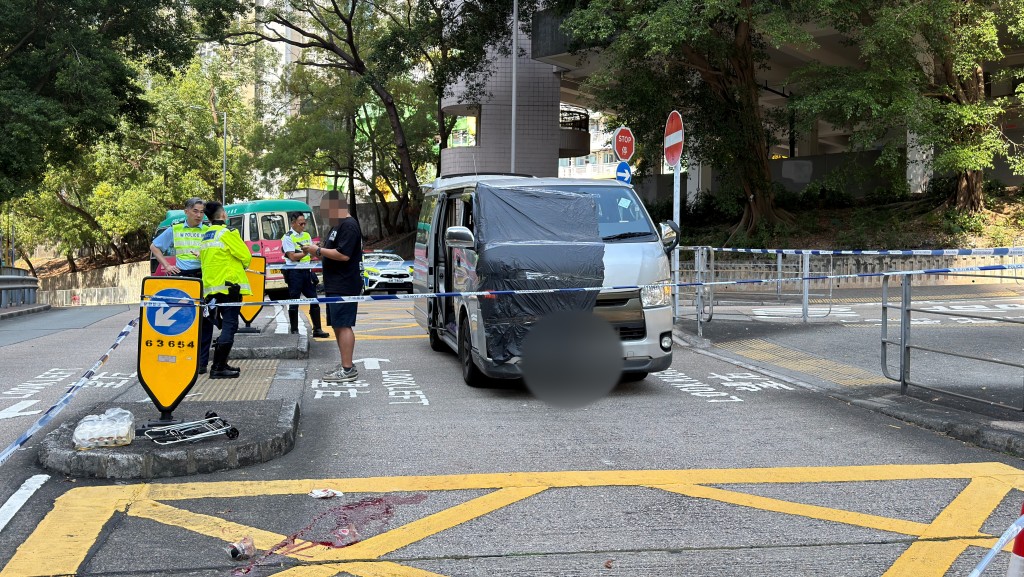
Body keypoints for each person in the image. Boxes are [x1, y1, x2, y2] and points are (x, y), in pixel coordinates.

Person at [150, 197, 214, 372]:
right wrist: (166, 265)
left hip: (203, 277)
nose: (199, 215)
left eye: (202, 212)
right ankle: (182, 359)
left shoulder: (209, 231)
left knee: (206, 320)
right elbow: (155, 247)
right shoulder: (175, 229)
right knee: (183, 320)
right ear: (186, 211)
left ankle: (201, 363)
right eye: (195, 211)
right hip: (183, 278)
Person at [306, 192, 362, 382]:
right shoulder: (337, 226)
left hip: (345, 284)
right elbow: (332, 251)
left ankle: (347, 369)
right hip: (334, 283)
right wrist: (318, 250)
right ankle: (346, 364)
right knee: (338, 324)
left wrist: (318, 250)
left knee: (344, 324)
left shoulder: (349, 226)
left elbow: (343, 254)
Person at [199, 201, 252, 379]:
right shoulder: (227, 233)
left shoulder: (206, 235)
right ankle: (218, 367)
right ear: (223, 216)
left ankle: (222, 363)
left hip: (212, 289)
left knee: (224, 325)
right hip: (230, 287)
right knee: (230, 325)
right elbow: (246, 256)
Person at [281, 212, 330, 338]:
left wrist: (315, 250)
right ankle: (294, 330)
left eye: (304, 223)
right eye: (300, 223)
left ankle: (317, 329)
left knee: (314, 299)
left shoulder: (307, 235)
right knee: (294, 301)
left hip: (307, 271)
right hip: (294, 272)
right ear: (293, 223)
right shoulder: (288, 237)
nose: (303, 226)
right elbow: (292, 257)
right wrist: (307, 252)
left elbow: (312, 254)